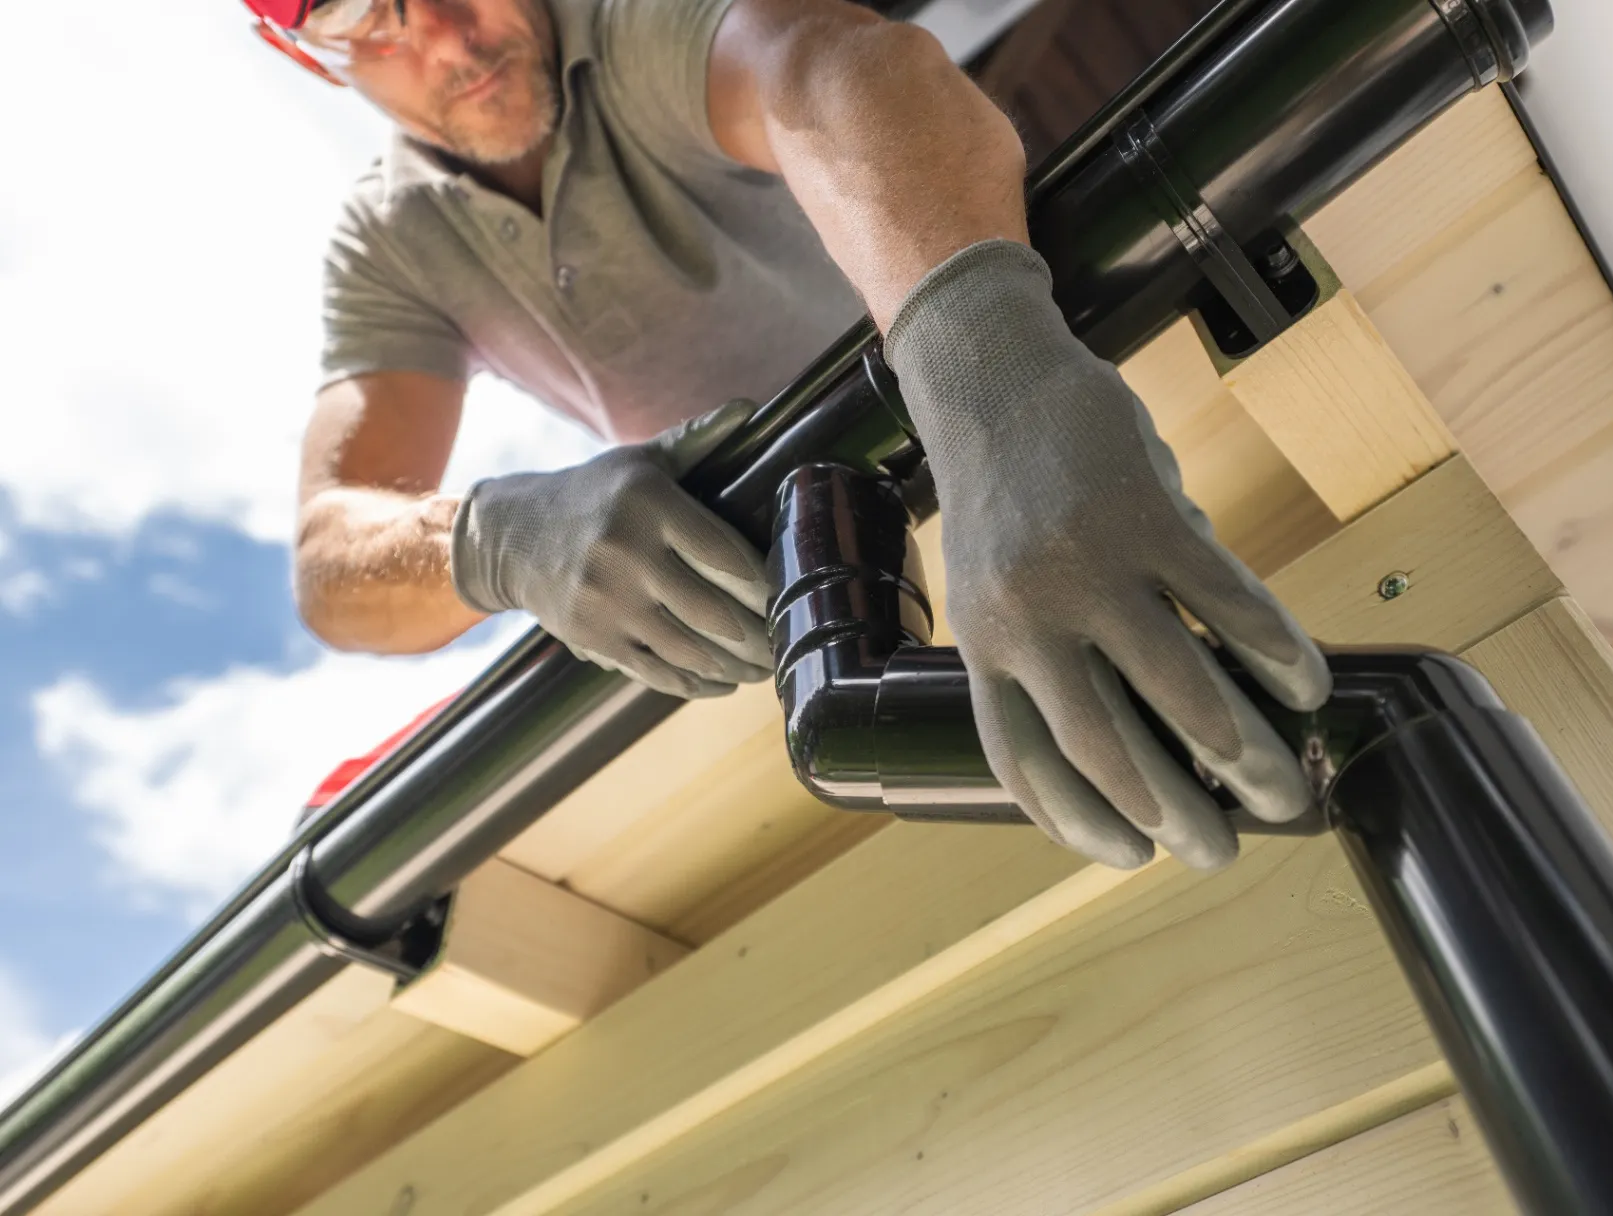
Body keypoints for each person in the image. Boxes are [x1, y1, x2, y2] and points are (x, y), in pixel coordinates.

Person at [259, 0, 1332, 871]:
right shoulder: (388, 243)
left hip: (1034, 443)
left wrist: (988, 374)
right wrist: (491, 539)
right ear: (307, 57)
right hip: (790, 585)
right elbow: (329, 554)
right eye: (369, 17)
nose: (448, 34)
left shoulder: (623, 20)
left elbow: (826, 69)